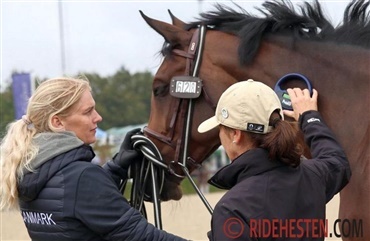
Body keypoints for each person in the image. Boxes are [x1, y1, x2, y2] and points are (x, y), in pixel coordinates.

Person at [0, 77, 188, 241]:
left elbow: (74, 203)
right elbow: (139, 235)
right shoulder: (82, 177)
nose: (98, 117)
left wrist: (115, 167)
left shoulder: (30, 171)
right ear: (57, 122)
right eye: (87, 111)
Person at [197, 79, 351, 240]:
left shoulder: (231, 210)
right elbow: (337, 161)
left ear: (236, 134)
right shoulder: (313, 175)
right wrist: (310, 117)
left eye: (220, 129)